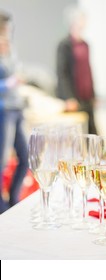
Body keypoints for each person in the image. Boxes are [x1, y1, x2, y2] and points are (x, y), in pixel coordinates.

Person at [0, 10, 28, 213]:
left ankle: (14, 199)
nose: (8, 31)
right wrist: (9, 83)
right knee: (1, 162)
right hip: (4, 111)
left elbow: (18, 71)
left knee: (25, 158)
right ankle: (2, 207)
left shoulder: (10, 48)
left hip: (17, 108)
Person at [56, 5, 98, 135]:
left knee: (93, 133)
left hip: (87, 96)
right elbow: (62, 73)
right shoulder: (64, 45)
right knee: (78, 135)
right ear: (73, 22)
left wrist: (94, 94)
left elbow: (88, 70)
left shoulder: (85, 44)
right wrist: (69, 97)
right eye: (81, 19)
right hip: (74, 97)